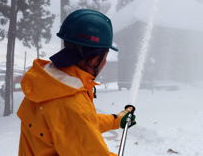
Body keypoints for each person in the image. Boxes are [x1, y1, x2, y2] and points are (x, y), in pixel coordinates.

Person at [17, 9, 136, 156]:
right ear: (94, 60)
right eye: (105, 57)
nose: (105, 63)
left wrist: (115, 120)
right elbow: (76, 120)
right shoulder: (70, 103)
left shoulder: (47, 83)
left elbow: (76, 125)